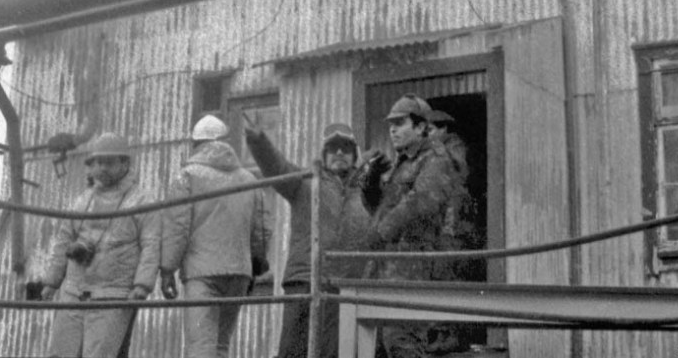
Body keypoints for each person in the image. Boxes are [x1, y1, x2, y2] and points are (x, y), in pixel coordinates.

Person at [244, 120, 372, 358]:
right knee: (293, 350)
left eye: (346, 148)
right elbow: (276, 167)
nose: (340, 153)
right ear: (324, 155)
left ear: (355, 155)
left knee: (333, 352)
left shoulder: (366, 191)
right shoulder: (304, 182)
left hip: (343, 286)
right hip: (304, 280)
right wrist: (258, 141)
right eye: (333, 148)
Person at [32, 132, 160, 358]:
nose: (102, 168)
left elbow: (151, 244)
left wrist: (142, 285)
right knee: (61, 353)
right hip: (74, 291)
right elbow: (64, 240)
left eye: (109, 162)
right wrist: (52, 282)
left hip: (113, 294)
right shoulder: (83, 200)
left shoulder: (141, 201)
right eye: (98, 162)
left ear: (124, 163)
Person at [160, 114, 271, 358]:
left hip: (202, 274)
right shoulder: (249, 179)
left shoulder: (187, 176)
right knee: (221, 347)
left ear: (196, 144)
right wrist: (255, 267)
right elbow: (261, 231)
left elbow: (177, 227)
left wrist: (167, 269)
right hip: (239, 273)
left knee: (200, 346)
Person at [361, 95, 460, 357]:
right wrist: (370, 183)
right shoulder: (403, 163)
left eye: (400, 123)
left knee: (402, 343)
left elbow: (422, 202)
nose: (392, 129)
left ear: (420, 127)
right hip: (385, 270)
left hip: (412, 271)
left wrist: (382, 231)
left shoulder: (436, 160)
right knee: (381, 346)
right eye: (390, 124)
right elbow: (378, 209)